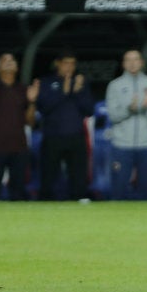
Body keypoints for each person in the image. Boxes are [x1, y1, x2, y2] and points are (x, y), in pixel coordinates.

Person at [0, 53, 38, 201]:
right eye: (5, 61)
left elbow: (30, 122)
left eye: (12, 60)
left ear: (17, 67)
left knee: (18, 193)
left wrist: (32, 102)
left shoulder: (23, 89)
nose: (10, 63)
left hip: (19, 147)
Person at [105, 49, 147, 200]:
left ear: (141, 62)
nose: (132, 63)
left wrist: (145, 107)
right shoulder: (114, 85)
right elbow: (113, 116)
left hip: (146, 144)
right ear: (123, 64)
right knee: (118, 189)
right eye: (128, 60)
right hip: (121, 145)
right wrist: (130, 109)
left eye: (136, 59)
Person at [36, 49, 95, 201]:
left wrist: (77, 92)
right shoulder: (46, 82)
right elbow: (44, 108)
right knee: (48, 175)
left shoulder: (80, 84)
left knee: (78, 175)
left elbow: (89, 110)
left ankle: (79, 200)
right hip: (53, 136)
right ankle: (45, 201)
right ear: (58, 64)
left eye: (72, 64)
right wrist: (63, 91)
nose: (69, 67)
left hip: (76, 136)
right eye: (66, 63)